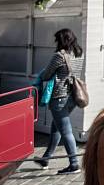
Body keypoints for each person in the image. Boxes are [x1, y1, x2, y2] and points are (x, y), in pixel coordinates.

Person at [33, 28, 84, 174]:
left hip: (59, 98)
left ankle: (74, 164)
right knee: (56, 128)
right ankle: (46, 159)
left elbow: (46, 75)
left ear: (62, 40)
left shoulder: (59, 56)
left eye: (57, 39)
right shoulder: (78, 53)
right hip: (71, 97)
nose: (55, 42)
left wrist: (45, 73)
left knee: (66, 131)